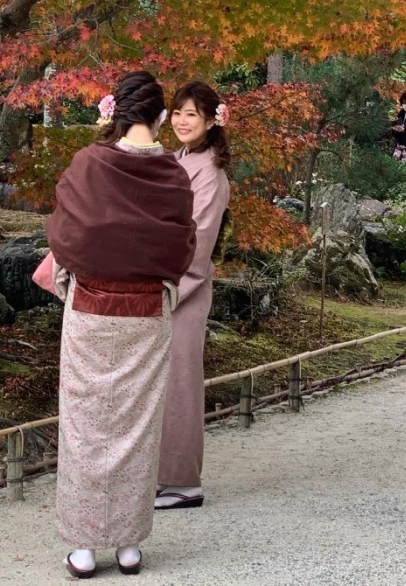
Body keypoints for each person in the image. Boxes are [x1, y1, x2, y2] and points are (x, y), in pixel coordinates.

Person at [46, 71, 196, 579]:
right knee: (137, 426)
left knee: (86, 427)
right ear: (158, 118)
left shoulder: (89, 163)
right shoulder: (173, 174)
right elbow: (181, 245)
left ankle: (85, 549)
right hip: (147, 314)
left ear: (115, 113)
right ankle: (130, 546)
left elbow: (66, 231)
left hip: (90, 309)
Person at [155, 82, 231, 510]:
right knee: (159, 384)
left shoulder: (211, 173)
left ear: (210, 121)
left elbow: (198, 242)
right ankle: (161, 475)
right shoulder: (177, 161)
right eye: (178, 113)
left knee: (181, 382)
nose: (183, 122)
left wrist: (163, 290)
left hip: (184, 286)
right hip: (161, 282)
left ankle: (185, 482)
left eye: (192, 115)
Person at [391, 89, 406, 160]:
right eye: (403, 103)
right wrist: (395, 130)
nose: (405, 105)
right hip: (400, 146)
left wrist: (405, 130)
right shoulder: (401, 113)